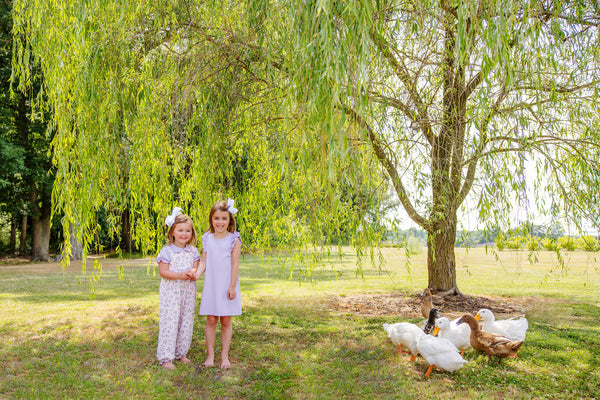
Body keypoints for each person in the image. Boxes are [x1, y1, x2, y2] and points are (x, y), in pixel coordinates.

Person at [156, 207, 202, 370]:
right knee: (170, 321)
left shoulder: (193, 251)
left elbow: (196, 269)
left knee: (186, 321)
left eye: (187, 231)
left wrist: (192, 272)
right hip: (171, 293)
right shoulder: (167, 251)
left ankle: (181, 352)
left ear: (192, 233)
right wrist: (179, 275)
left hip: (188, 292)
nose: (184, 234)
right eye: (180, 230)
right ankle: (166, 356)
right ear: (172, 232)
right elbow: (163, 272)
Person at [198, 198, 242, 368]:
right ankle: (210, 356)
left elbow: (235, 263)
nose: (220, 222)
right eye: (216, 218)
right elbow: (204, 262)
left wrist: (232, 286)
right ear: (211, 219)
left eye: (224, 218)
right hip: (212, 284)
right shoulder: (207, 238)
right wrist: (196, 274)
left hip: (226, 284)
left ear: (230, 220)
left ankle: (224, 357)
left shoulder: (233, 239)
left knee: (225, 320)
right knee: (211, 319)